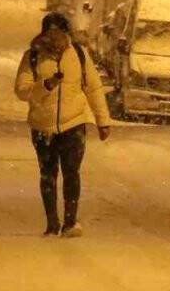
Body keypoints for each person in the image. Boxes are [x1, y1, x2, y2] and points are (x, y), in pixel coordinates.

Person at [15, 12, 112, 237]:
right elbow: (21, 90)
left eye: (59, 34)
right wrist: (45, 86)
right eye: (51, 34)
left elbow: (93, 88)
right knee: (48, 174)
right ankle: (52, 223)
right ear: (44, 34)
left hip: (74, 124)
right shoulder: (32, 57)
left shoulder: (78, 54)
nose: (55, 40)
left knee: (71, 173)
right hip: (43, 126)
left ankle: (70, 222)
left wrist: (102, 121)